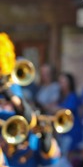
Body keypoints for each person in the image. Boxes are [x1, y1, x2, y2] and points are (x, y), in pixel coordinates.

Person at [0, 32, 61, 167]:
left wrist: (46, 140)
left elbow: (50, 161)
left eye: (12, 103)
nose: (7, 107)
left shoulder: (31, 126)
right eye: (5, 103)